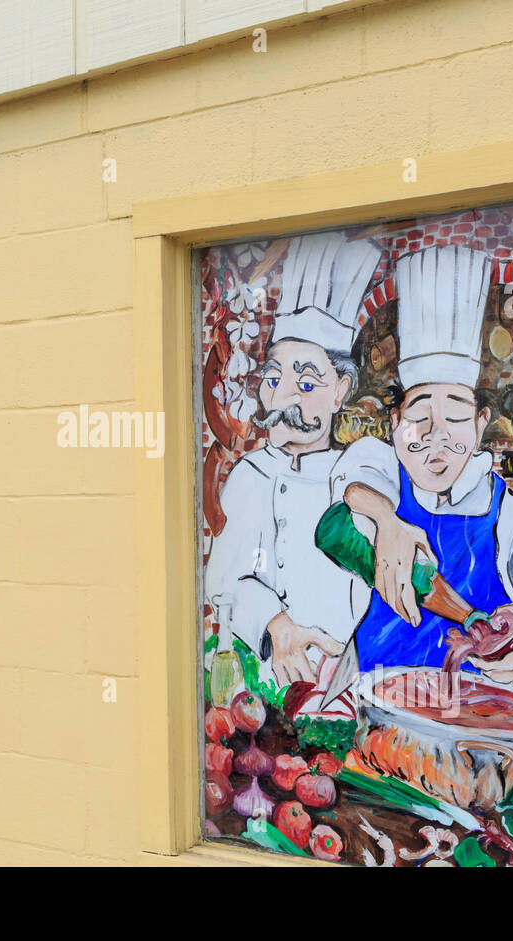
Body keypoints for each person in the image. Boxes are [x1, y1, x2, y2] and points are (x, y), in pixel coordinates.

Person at [316, 244, 513, 683]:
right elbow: (353, 482)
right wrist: (386, 521)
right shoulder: (383, 476)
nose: (436, 432)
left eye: (456, 414)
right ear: (396, 423)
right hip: (375, 696)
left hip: (478, 715)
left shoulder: (511, 512)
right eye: (419, 414)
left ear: (480, 426)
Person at [205, 230, 381, 688]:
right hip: (274, 682)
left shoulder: (363, 466)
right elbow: (224, 583)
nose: (281, 397)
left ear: (341, 391)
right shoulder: (252, 476)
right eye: (273, 378)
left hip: (355, 682)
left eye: (305, 384)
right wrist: (276, 626)